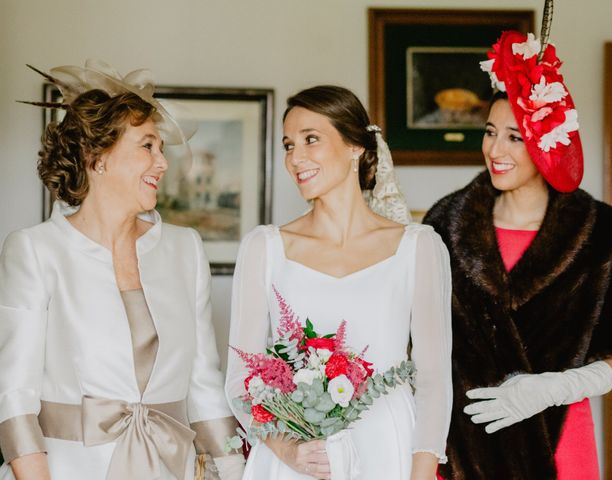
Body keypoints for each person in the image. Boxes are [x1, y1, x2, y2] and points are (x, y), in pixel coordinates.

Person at [0, 61, 244, 480]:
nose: (163, 163)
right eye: (147, 146)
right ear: (97, 158)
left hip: (171, 467)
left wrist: (234, 465)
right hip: (69, 469)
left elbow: (204, 381)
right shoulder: (37, 250)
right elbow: (14, 396)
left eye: (162, 149)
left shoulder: (185, 248)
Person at [424, 31, 612, 479]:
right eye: (489, 133)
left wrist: (561, 386)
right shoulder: (445, 222)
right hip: (462, 447)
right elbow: (418, 341)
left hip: (559, 442)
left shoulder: (602, 233)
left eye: (515, 137)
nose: (495, 150)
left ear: (547, 143)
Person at [225, 85, 452, 480]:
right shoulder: (265, 248)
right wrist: (289, 450)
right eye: (288, 145)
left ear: (356, 147)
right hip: (298, 457)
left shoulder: (418, 248)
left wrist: (421, 472)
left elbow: (434, 379)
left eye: (311, 139)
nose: (296, 158)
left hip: (388, 448)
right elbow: (239, 381)